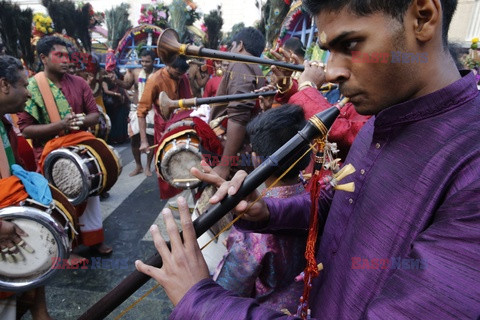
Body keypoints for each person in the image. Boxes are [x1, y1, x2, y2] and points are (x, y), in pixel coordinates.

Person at [135, 0, 480, 319]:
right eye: (329, 50)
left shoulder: (471, 163)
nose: (330, 73)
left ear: (423, 17)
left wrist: (199, 300)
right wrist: (267, 211)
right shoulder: (382, 117)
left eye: (351, 45)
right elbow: (341, 201)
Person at [16, 36, 112, 255]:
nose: (65, 60)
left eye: (67, 55)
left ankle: (95, 240)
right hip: (50, 155)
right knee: (60, 203)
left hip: (79, 151)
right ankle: (68, 247)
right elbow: (26, 129)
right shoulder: (31, 88)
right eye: (59, 55)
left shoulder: (79, 83)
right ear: (43, 58)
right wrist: (59, 125)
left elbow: (94, 115)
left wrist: (78, 121)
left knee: (91, 196)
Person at [213, 105, 310, 313]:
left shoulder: (253, 229)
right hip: (312, 303)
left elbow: (228, 289)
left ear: (257, 159)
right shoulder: (320, 193)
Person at [0, 54, 52, 320]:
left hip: (13, 224)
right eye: (23, 85)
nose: (28, 95)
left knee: (32, 296)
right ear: (4, 85)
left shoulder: (4, 123)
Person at [209, 27, 266, 179]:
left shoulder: (241, 64)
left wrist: (224, 165)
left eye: (231, 46)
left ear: (239, 45)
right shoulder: (256, 68)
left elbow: (238, 117)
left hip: (231, 155)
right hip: (240, 151)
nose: (229, 52)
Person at [137, 56, 192, 199]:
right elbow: (141, 112)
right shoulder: (155, 79)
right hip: (164, 127)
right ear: (168, 65)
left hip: (184, 125)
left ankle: (184, 191)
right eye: (177, 73)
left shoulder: (183, 77)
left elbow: (189, 103)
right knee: (166, 163)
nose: (180, 77)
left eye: (182, 74)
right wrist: (143, 141)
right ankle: (173, 198)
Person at [114, 49, 157, 177]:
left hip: (151, 109)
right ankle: (138, 166)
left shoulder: (158, 75)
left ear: (154, 62)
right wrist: (115, 80)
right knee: (134, 138)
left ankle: (148, 166)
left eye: (147, 61)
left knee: (150, 138)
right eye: (142, 61)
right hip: (136, 108)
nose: (144, 64)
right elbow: (127, 85)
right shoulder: (135, 72)